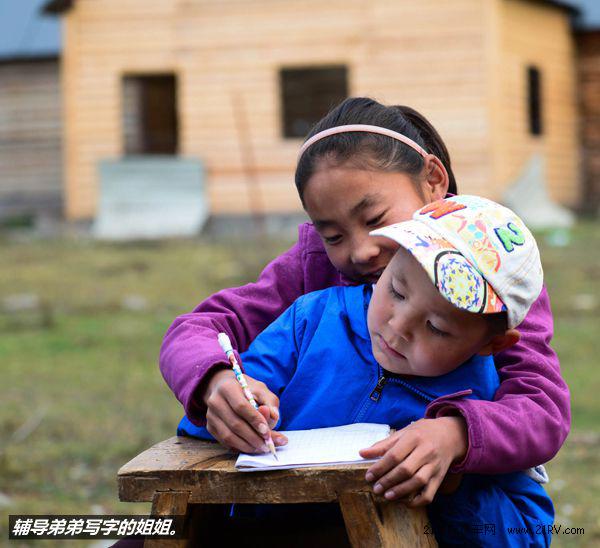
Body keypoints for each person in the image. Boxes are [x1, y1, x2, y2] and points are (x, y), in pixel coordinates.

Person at [160, 97, 570, 503]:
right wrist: (215, 381)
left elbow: (542, 408)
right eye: (333, 235)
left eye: (375, 221)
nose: (360, 252)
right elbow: (198, 329)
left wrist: (457, 433)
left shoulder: (494, 279)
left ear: (433, 180)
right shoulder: (312, 270)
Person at [178, 195, 555, 546]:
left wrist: (455, 483)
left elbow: (530, 533)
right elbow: (198, 429)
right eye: (397, 291)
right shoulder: (311, 322)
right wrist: (226, 402)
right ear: (387, 262)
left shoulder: (482, 411)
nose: (398, 326)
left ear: (491, 345)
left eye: (437, 328)